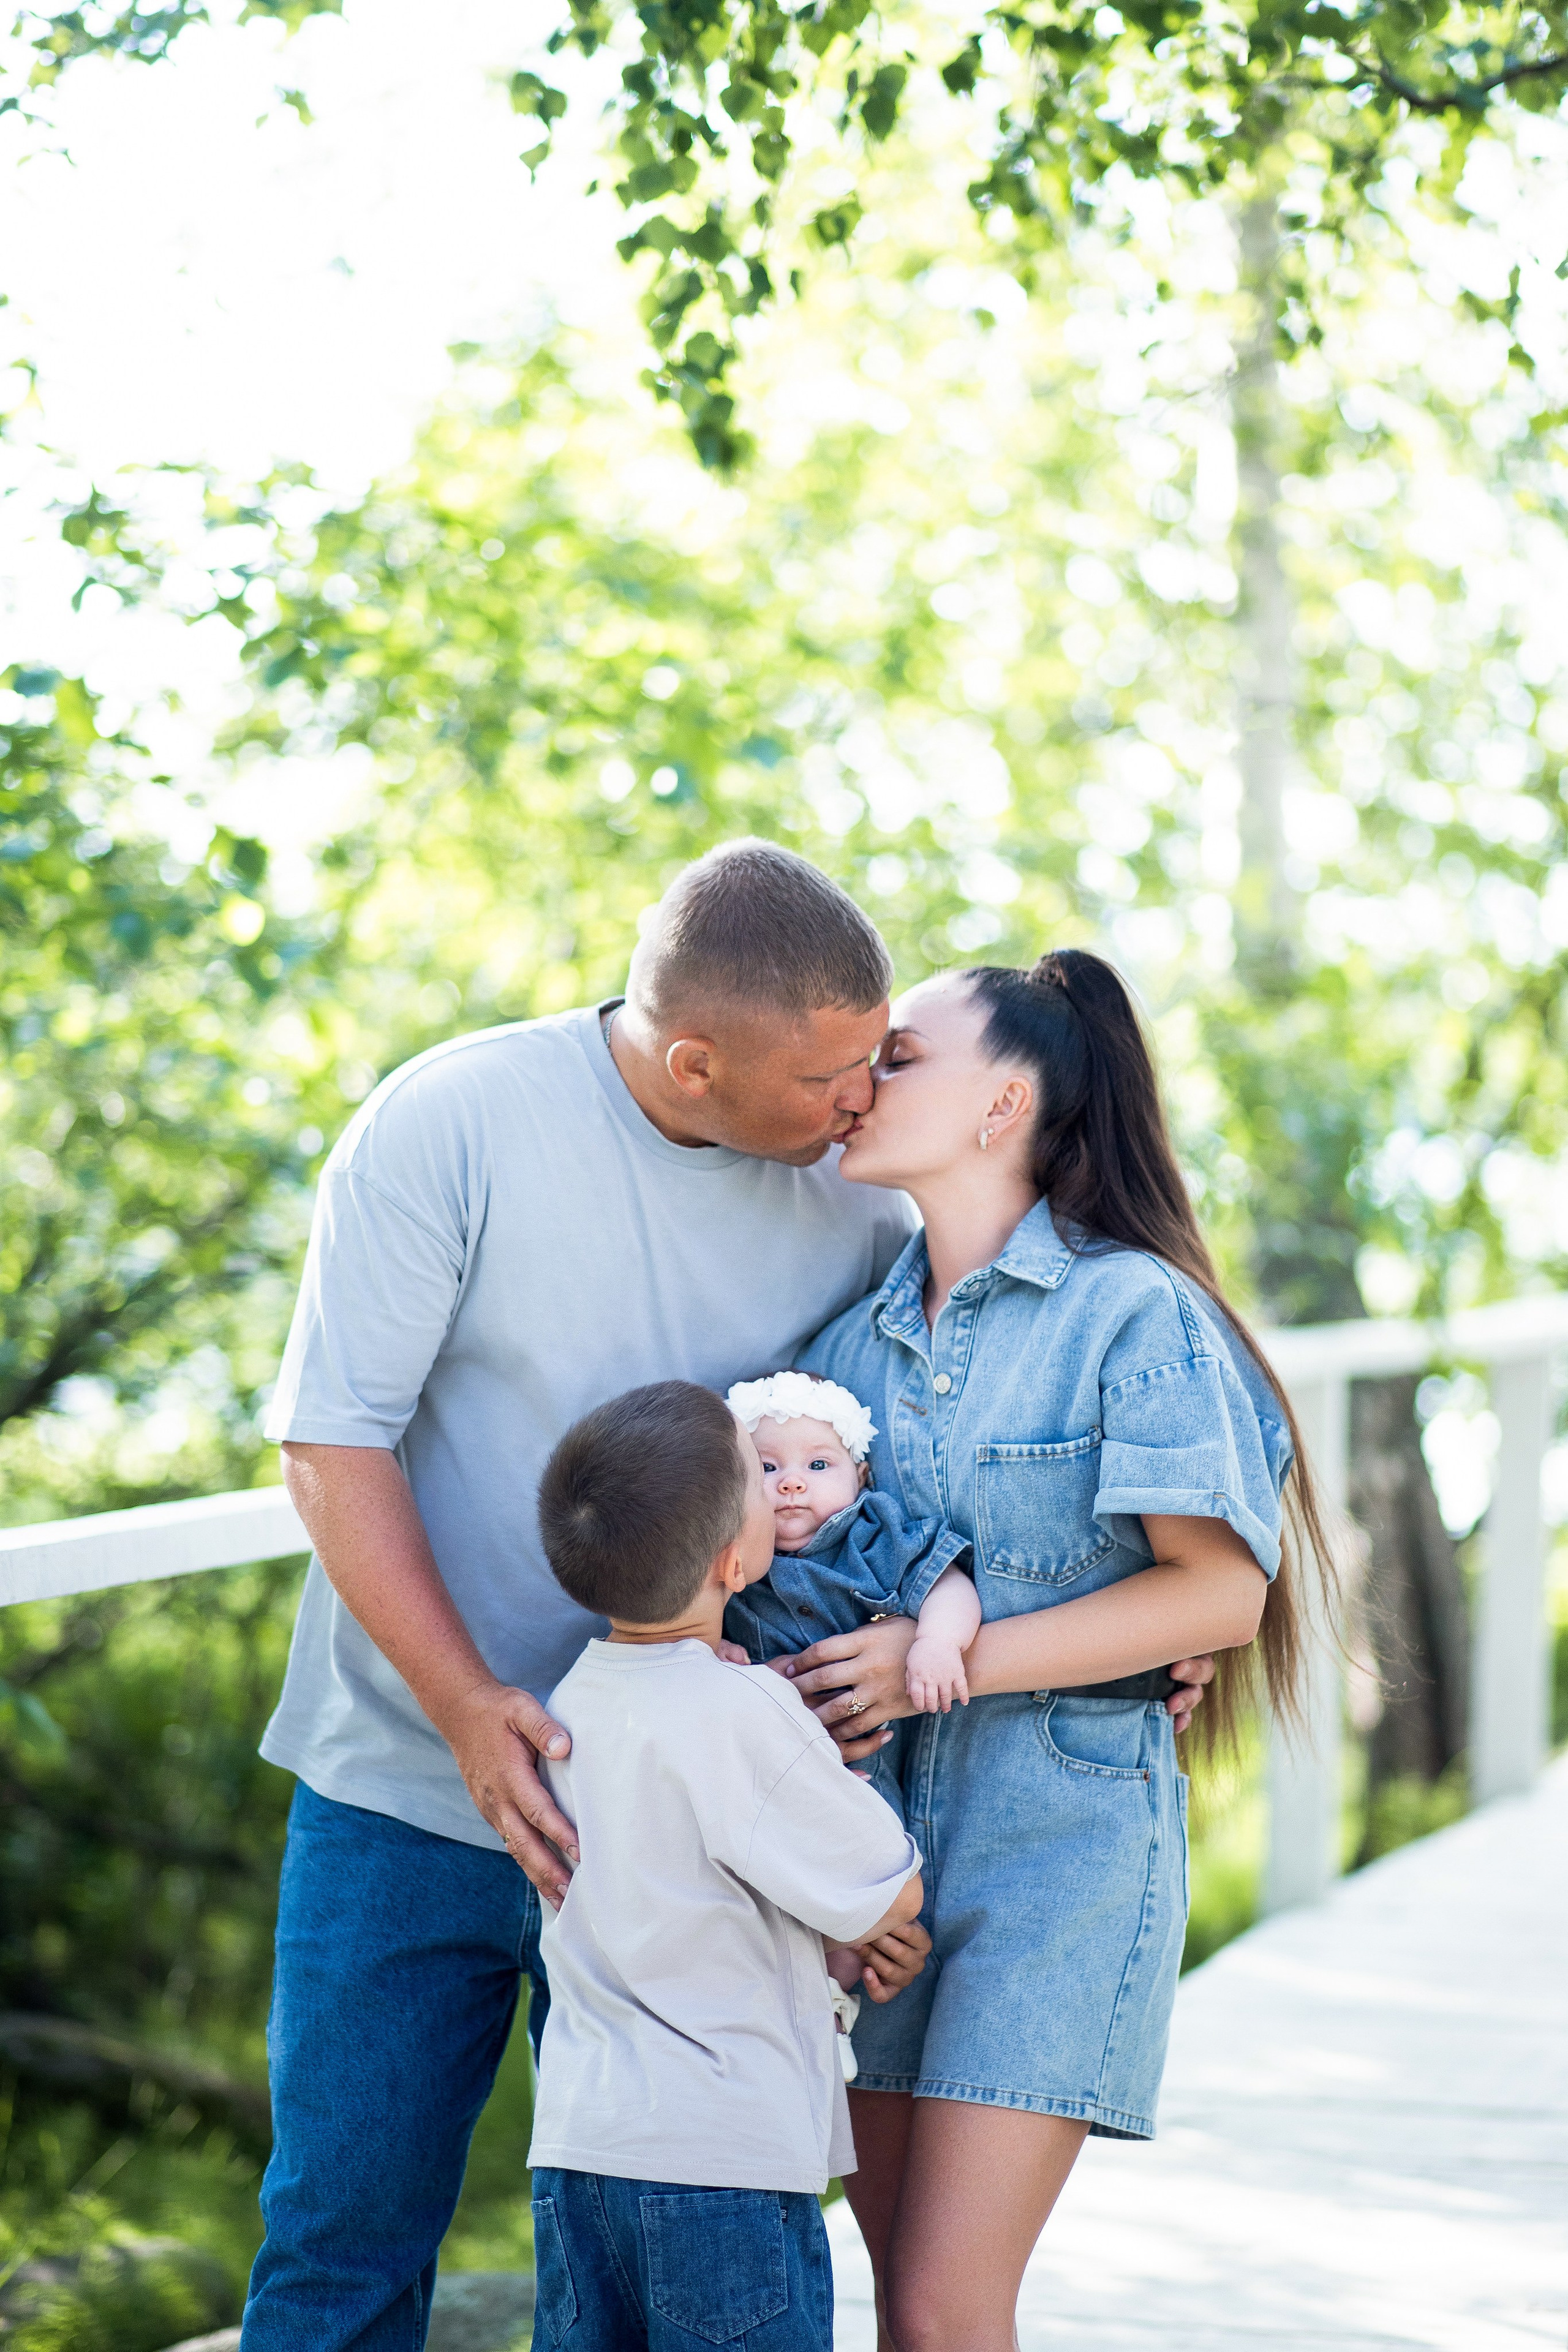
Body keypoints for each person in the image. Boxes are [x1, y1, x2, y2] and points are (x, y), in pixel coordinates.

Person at [239, 841, 1210, 2346]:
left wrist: (1129, 1627)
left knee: (649, 2277)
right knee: (339, 2252)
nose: (860, 1100)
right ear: (693, 1059)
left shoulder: (865, 1210)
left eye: (880, 1059)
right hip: (405, 1788)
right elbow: (328, 1440)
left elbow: (912, 1479)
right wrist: (465, 1705)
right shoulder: (449, 1124)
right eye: (834, 1071)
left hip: (679, 1830)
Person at [775, 948, 1336, 2352]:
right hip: (876, 1868)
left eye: (897, 1056)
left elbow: (1214, 1595)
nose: (857, 1082)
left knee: (945, 2303)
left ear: (999, 1104)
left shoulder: (1128, 1311)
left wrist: (936, 1650)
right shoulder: (837, 1356)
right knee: (903, 2297)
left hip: (1061, 1860)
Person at [526, 1379, 925, 2352]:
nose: (781, 1484)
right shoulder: (743, 1711)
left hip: (581, 2151)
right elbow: (891, 1886)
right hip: (723, 2160)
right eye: (759, 1471)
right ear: (734, 1560)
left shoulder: (569, 1701)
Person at [722, 1369, 981, 1715]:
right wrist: (714, 1653)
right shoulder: (723, 1555)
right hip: (767, 1746)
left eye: (817, 1464)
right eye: (767, 1467)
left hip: (881, 1743)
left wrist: (939, 1641)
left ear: (860, 1478)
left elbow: (945, 1583)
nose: (792, 1483)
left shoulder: (874, 1538)